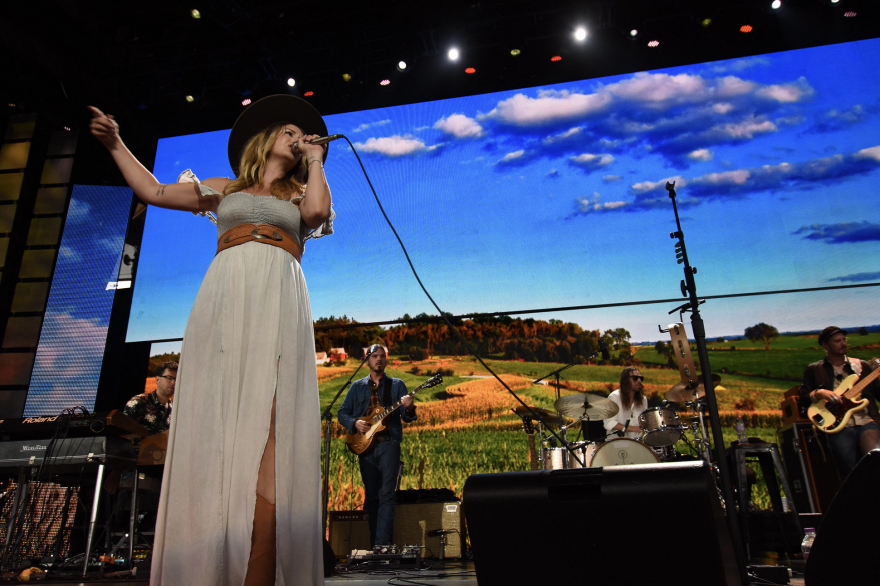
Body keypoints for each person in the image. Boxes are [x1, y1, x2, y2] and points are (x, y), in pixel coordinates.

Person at [89, 94, 333, 586]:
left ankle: (259, 568)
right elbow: (155, 192)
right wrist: (116, 144)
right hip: (224, 304)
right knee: (217, 423)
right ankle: (208, 565)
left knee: (272, 429)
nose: (297, 136)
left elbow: (316, 214)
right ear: (265, 141)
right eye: (289, 131)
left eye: (301, 134)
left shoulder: (299, 192)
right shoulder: (224, 190)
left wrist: (314, 160)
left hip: (278, 302)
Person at [337, 345, 416, 547]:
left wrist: (408, 407)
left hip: (389, 444)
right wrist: (354, 422)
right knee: (371, 496)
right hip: (365, 447)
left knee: (386, 494)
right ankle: (374, 545)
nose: (379, 360)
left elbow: (407, 418)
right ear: (367, 360)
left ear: (386, 360)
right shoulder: (357, 387)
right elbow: (342, 413)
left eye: (382, 356)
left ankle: (382, 546)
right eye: (374, 356)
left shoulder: (397, 385)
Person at [800, 326, 880, 478]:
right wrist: (819, 393)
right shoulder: (814, 369)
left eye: (844, 340)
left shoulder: (862, 366)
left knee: (875, 460)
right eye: (837, 341)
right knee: (852, 472)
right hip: (837, 426)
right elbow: (802, 398)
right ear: (825, 345)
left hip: (866, 421)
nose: (843, 343)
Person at [124, 361, 177, 435]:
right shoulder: (138, 403)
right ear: (157, 379)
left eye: (176, 379)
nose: (173, 382)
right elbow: (124, 437)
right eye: (169, 378)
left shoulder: (174, 408)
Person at [603, 366, 648, 440]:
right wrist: (634, 429)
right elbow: (608, 423)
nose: (639, 381)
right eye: (635, 378)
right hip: (616, 442)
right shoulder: (614, 397)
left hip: (637, 443)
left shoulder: (643, 400)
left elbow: (644, 422)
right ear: (626, 380)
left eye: (641, 378)